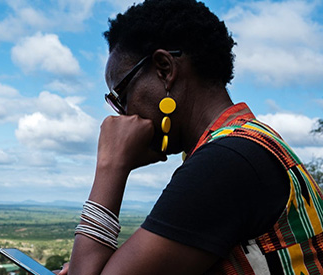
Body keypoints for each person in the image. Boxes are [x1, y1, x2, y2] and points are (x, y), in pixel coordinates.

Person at [59, 0, 323, 274]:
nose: (123, 116)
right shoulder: (252, 142)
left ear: (164, 69)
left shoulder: (224, 163)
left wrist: (111, 164)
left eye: (122, 97)